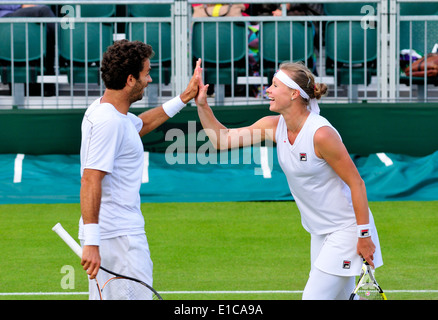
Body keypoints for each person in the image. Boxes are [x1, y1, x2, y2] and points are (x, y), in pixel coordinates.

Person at [194, 61, 383, 300]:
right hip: (319, 231)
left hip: (347, 229)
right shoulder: (273, 127)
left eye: (274, 85)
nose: (268, 90)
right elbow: (223, 140)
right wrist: (202, 105)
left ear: (294, 94)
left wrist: (364, 236)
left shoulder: (321, 134)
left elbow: (357, 183)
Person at [79, 39, 201, 300]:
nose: (150, 79)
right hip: (119, 239)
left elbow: (140, 124)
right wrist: (92, 242)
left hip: (115, 234)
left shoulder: (109, 112)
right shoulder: (108, 122)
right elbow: (90, 180)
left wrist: (184, 98)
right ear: (130, 80)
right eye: (146, 74)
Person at [0, 3, 56, 75]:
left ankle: (47, 73)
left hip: (32, 14)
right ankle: (51, 70)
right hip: (8, 17)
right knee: (44, 11)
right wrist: (20, 5)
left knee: (46, 31)